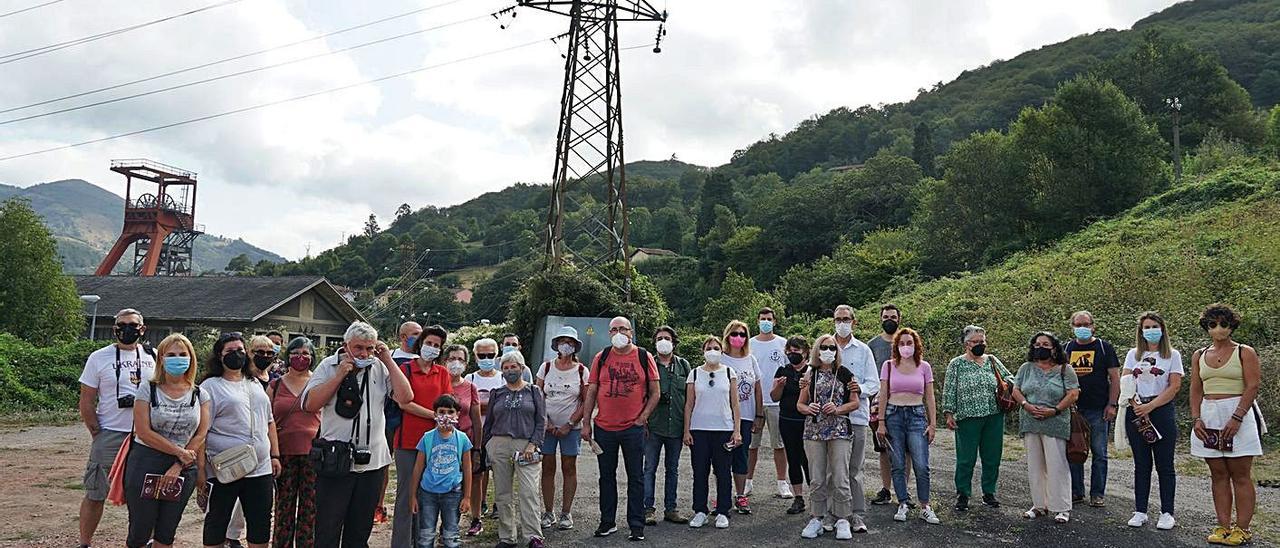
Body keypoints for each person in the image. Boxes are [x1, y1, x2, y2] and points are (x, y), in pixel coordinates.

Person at [302, 322, 414, 547]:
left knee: (360, 529)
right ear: (346, 346)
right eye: (359, 348)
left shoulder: (380, 367)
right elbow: (310, 404)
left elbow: (405, 397)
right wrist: (339, 375)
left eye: (370, 348)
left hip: (372, 461)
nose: (364, 354)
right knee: (328, 528)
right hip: (336, 460)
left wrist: (388, 360)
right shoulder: (328, 365)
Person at [77, 308, 157, 548]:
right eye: (121, 325)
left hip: (145, 435)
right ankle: (84, 542)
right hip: (110, 432)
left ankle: (144, 541)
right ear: (114, 329)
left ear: (142, 329)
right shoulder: (99, 357)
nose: (127, 330)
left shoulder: (153, 356)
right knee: (95, 491)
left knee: (145, 494)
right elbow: (86, 401)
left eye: (133, 325)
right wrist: (97, 432)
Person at [198, 332, 283, 548]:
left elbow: (269, 421)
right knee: (218, 520)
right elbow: (201, 432)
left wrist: (275, 455)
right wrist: (201, 471)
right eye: (230, 351)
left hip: (261, 467)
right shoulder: (210, 386)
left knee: (261, 523)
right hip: (226, 467)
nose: (237, 355)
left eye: (240, 350)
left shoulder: (254, 382)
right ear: (219, 355)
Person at [124, 334, 209, 548]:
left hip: (183, 467)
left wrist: (180, 463)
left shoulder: (200, 394)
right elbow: (143, 431)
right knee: (140, 529)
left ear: (191, 358)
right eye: (171, 355)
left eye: (182, 354)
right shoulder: (147, 389)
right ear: (161, 358)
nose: (177, 359)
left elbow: (200, 433)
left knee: (167, 529)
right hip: (147, 462)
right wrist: (179, 452)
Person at [581, 316, 661, 541]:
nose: (618, 333)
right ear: (609, 333)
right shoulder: (602, 357)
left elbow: (655, 392)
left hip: (633, 429)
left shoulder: (644, 356)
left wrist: (642, 417)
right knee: (606, 477)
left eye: (622, 329)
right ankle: (607, 522)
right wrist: (586, 422)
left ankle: (636, 524)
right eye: (613, 329)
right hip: (604, 428)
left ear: (631, 332)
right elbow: (592, 391)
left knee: (636, 477)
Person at [1190, 304, 1263, 546]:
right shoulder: (1199, 355)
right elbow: (1196, 388)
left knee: (1240, 474)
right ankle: (1223, 525)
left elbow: (1252, 385)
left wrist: (1238, 416)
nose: (1218, 329)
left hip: (1237, 413)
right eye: (1213, 324)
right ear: (1206, 327)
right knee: (1218, 473)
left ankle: (1242, 528)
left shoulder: (1245, 352)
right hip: (1209, 414)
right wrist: (1196, 418)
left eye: (1223, 324)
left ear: (1232, 326)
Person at [391, 325, 452, 548]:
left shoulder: (443, 373)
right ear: (420, 343)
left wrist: (441, 419)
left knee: (426, 496)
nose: (432, 348)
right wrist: (433, 415)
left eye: (437, 345)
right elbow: (403, 402)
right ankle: (400, 544)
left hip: (433, 444)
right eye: (429, 343)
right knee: (407, 496)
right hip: (407, 441)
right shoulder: (405, 370)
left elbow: (447, 404)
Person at [1011, 331, 1080, 524]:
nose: (1041, 348)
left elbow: (1073, 393)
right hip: (1030, 421)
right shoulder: (1026, 368)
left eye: (1046, 345)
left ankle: (1062, 508)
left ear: (1054, 348)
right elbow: (1015, 389)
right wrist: (1026, 404)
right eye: (1037, 344)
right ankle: (1039, 505)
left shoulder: (1065, 369)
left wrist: (1055, 410)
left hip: (1055, 422)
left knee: (1057, 465)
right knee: (1035, 465)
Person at [1123, 312, 1183, 531]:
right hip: (1136, 410)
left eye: (1154, 326)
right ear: (1141, 331)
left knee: (1165, 464)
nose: (1150, 330)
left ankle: (1167, 512)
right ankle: (1140, 511)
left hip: (1161, 411)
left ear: (1162, 329)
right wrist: (1137, 405)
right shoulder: (1133, 354)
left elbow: (1174, 386)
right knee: (1142, 464)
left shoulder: (1172, 355)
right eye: (1146, 327)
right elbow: (1126, 381)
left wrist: (1151, 406)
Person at [942, 325, 1012, 512]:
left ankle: (989, 492)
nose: (980, 345)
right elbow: (949, 389)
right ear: (966, 344)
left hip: (994, 415)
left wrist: (1006, 385)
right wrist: (949, 413)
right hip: (967, 417)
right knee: (966, 458)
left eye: (982, 341)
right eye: (976, 342)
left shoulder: (992, 360)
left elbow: (1009, 378)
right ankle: (963, 493)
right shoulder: (956, 364)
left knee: (992, 457)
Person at [797, 334, 860, 540]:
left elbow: (855, 402)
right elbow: (800, 404)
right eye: (824, 347)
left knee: (840, 475)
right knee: (817, 476)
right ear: (817, 350)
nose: (828, 351)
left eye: (832, 348)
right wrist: (809, 408)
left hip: (839, 430)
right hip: (814, 431)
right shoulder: (809, 374)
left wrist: (839, 409)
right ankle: (817, 517)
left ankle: (842, 518)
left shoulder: (844, 373)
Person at [876, 328, 939, 524]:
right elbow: (883, 394)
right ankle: (902, 502)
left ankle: (925, 506)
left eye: (909, 343)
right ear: (896, 346)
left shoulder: (924, 367)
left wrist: (933, 424)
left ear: (916, 345)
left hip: (916, 416)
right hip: (893, 415)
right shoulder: (888, 366)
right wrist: (881, 422)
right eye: (901, 343)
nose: (905, 347)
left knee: (921, 464)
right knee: (898, 464)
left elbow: (929, 397)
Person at [485, 351, 547, 548]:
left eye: (514, 366)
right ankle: (507, 536)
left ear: (522, 368)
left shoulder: (534, 391)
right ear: (501, 371)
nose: (510, 370)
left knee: (529, 491)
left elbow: (541, 420)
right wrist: (487, 446)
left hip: (526, 445)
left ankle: (533, 536)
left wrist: (534, 444)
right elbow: (489, 423)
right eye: (506, 367)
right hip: (499, 443)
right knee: (503, 492)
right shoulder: (497, 393)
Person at [683, 336, 741, 530]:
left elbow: (735, 404)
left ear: (722, 351)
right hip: (699, 430)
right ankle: (700, 511)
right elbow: (689, 404)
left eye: (716, 348)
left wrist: (737, 430)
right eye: (709, 348)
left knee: (723, 472)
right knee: (700, 472)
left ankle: (723, 511)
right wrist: (686, 430)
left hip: (723, 429)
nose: (713, 351)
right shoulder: (694, 373)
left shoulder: (729, 372)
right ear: (703, 351)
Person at [831, 304, 879, 532]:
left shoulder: (863, 350)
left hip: (857, 417)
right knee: (833, 470)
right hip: (829, 420)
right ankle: (833, 514)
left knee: (854, 470)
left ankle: (856, 515)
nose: (842, 323)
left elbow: (874, 383)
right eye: (838, 320)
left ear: (854, 321)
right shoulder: (825, 347)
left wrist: (858, 388)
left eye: (846, 319)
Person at [271, 337, 322, 548]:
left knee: (310, 508)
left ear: (312, 357)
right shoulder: (276, 384)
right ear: (287, 356)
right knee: (284, 506)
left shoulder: (320, 382)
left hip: (313, 453)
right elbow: (268, 420)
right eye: (295, 353)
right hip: (283, 454)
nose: (300, 357)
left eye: (305, 353)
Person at [536, 326, 589, 531]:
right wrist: (546, 422)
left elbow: (586, 401)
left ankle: (566, 512)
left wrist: (570, 424)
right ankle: (548, 512)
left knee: (569, 467)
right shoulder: (546, 367)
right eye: (562, 341)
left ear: (575, 346)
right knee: (547, 468)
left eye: (570, 342)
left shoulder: (582, 370)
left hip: (571, 429)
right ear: (556, 345)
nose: (566, 345)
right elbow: (538, 395)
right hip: (546, 428)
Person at [1065, 311, 1120, 507]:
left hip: (1099, 408)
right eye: (1078, 324)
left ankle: (1097, 494)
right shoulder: (1067, 349)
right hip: (1073, 409)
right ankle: (1076, 492)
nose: (1082, 328)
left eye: (1086, 324)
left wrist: (1112, 404)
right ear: (1072, 327)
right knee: (1075, 451)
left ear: (1093, 326)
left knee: (1100, 453)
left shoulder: (1104, 348)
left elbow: (1115, 377)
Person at [409, 394, 473, 548]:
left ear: (457, 414)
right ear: (435, 414)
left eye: (450, 412)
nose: (446, 416)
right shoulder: (427, 438)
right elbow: (418, 468)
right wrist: (412, 496)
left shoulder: (462, 439)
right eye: (441, 411)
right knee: (425, 536)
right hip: (428, 493)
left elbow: (467, 468)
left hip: (452, 493)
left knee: (451, 536)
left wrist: (467, 497)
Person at [644, 326, 691, 525]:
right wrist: (643, 419)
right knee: (649, 468)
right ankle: (647, 509)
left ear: (674, 342)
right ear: (655, 342)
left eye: (667, 338)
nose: (664, 341)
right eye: (660, 338)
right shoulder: (648, 364)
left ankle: (671, 509)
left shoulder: (683, 366)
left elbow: (690, 396)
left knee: (672, 469)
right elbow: (640, 394)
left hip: (676, 426)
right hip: (653, 425)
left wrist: (688, 427)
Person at [719, 320, 763, 515]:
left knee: (741, 456)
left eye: (742, 334)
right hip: (723, 417)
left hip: (746, 415)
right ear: (727, 336)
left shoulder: (750, 359)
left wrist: (759, 414)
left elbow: (758, 388)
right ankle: (722, 496)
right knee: (721, 457)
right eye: (734, 334)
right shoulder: (719, 358)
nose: (738, 338)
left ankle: (740, 495)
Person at [464, 338, 505, 536]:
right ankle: (477, 512)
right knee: (477, 473)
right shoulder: (469, 378)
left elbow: (505, 405)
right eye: (482, 356)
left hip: (498, 432)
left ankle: (499, 505)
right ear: (475, 356)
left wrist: (478, 405)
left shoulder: (503, 378)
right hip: (475, 433)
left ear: (496, 356)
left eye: (490, 355)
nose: (486, 359)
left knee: (501, 472)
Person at [748, 307, 790, 499]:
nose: (766, 321)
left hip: (776, 402)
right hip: (753, 402)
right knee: (751, 445)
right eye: (762, 318)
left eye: (769, 319)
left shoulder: (783, 343)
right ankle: (747, 482)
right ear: (757, 321)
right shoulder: (749, 344)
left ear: (775, 321)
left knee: (779, 445)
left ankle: (782, 482)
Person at [441, 344, 483, 535]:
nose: (455, 363)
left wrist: (477, 449)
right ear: (444, 361)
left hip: (464, 445)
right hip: (440, 445)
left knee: (459, 487)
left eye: (460, 359)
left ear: (466, 364)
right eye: (452, 359)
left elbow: (476, 421)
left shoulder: (470, 387)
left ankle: (450, 527)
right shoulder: (439, 384)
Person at [867, 304, 906, 506]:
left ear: (899, 319)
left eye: (893, 316)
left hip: (905, 402)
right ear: (880, 319)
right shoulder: (871, 345)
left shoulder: (908, 342)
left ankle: (904, 492)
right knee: (883, 448)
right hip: (878, 405)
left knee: (905, 449)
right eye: (885, 316)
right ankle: (885, 488)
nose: (889, 319)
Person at [771, 336, 811, 515]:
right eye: (790, 351)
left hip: (807, 421)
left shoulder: (812, 371)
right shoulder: (782, 370)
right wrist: (779, 386)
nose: (793, 354)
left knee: (809, 460)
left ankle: (817, 497)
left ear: (806, 352)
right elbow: (774, 397)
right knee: (793, 459)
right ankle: (799, 498)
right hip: (787, 421)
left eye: (797, 351)